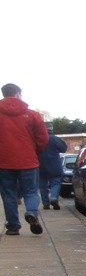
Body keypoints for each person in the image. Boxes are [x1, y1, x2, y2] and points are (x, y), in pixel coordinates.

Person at [0, 83, 49, 235]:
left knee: (8, 194)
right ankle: (32, 213)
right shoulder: (33, 115)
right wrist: (34, 151)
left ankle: (13, 226)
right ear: (18, 94)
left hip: (3, 161)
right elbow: (43, 138)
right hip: (28, 160)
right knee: (31, 192)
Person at [38, 123, 68, 210]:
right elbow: (63, 149)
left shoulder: (37, 139)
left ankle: (45, 203)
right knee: (55, 183)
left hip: (40, 165)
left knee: (43, 186)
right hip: (54, 165)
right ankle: (54, 198)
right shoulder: (55, 139)